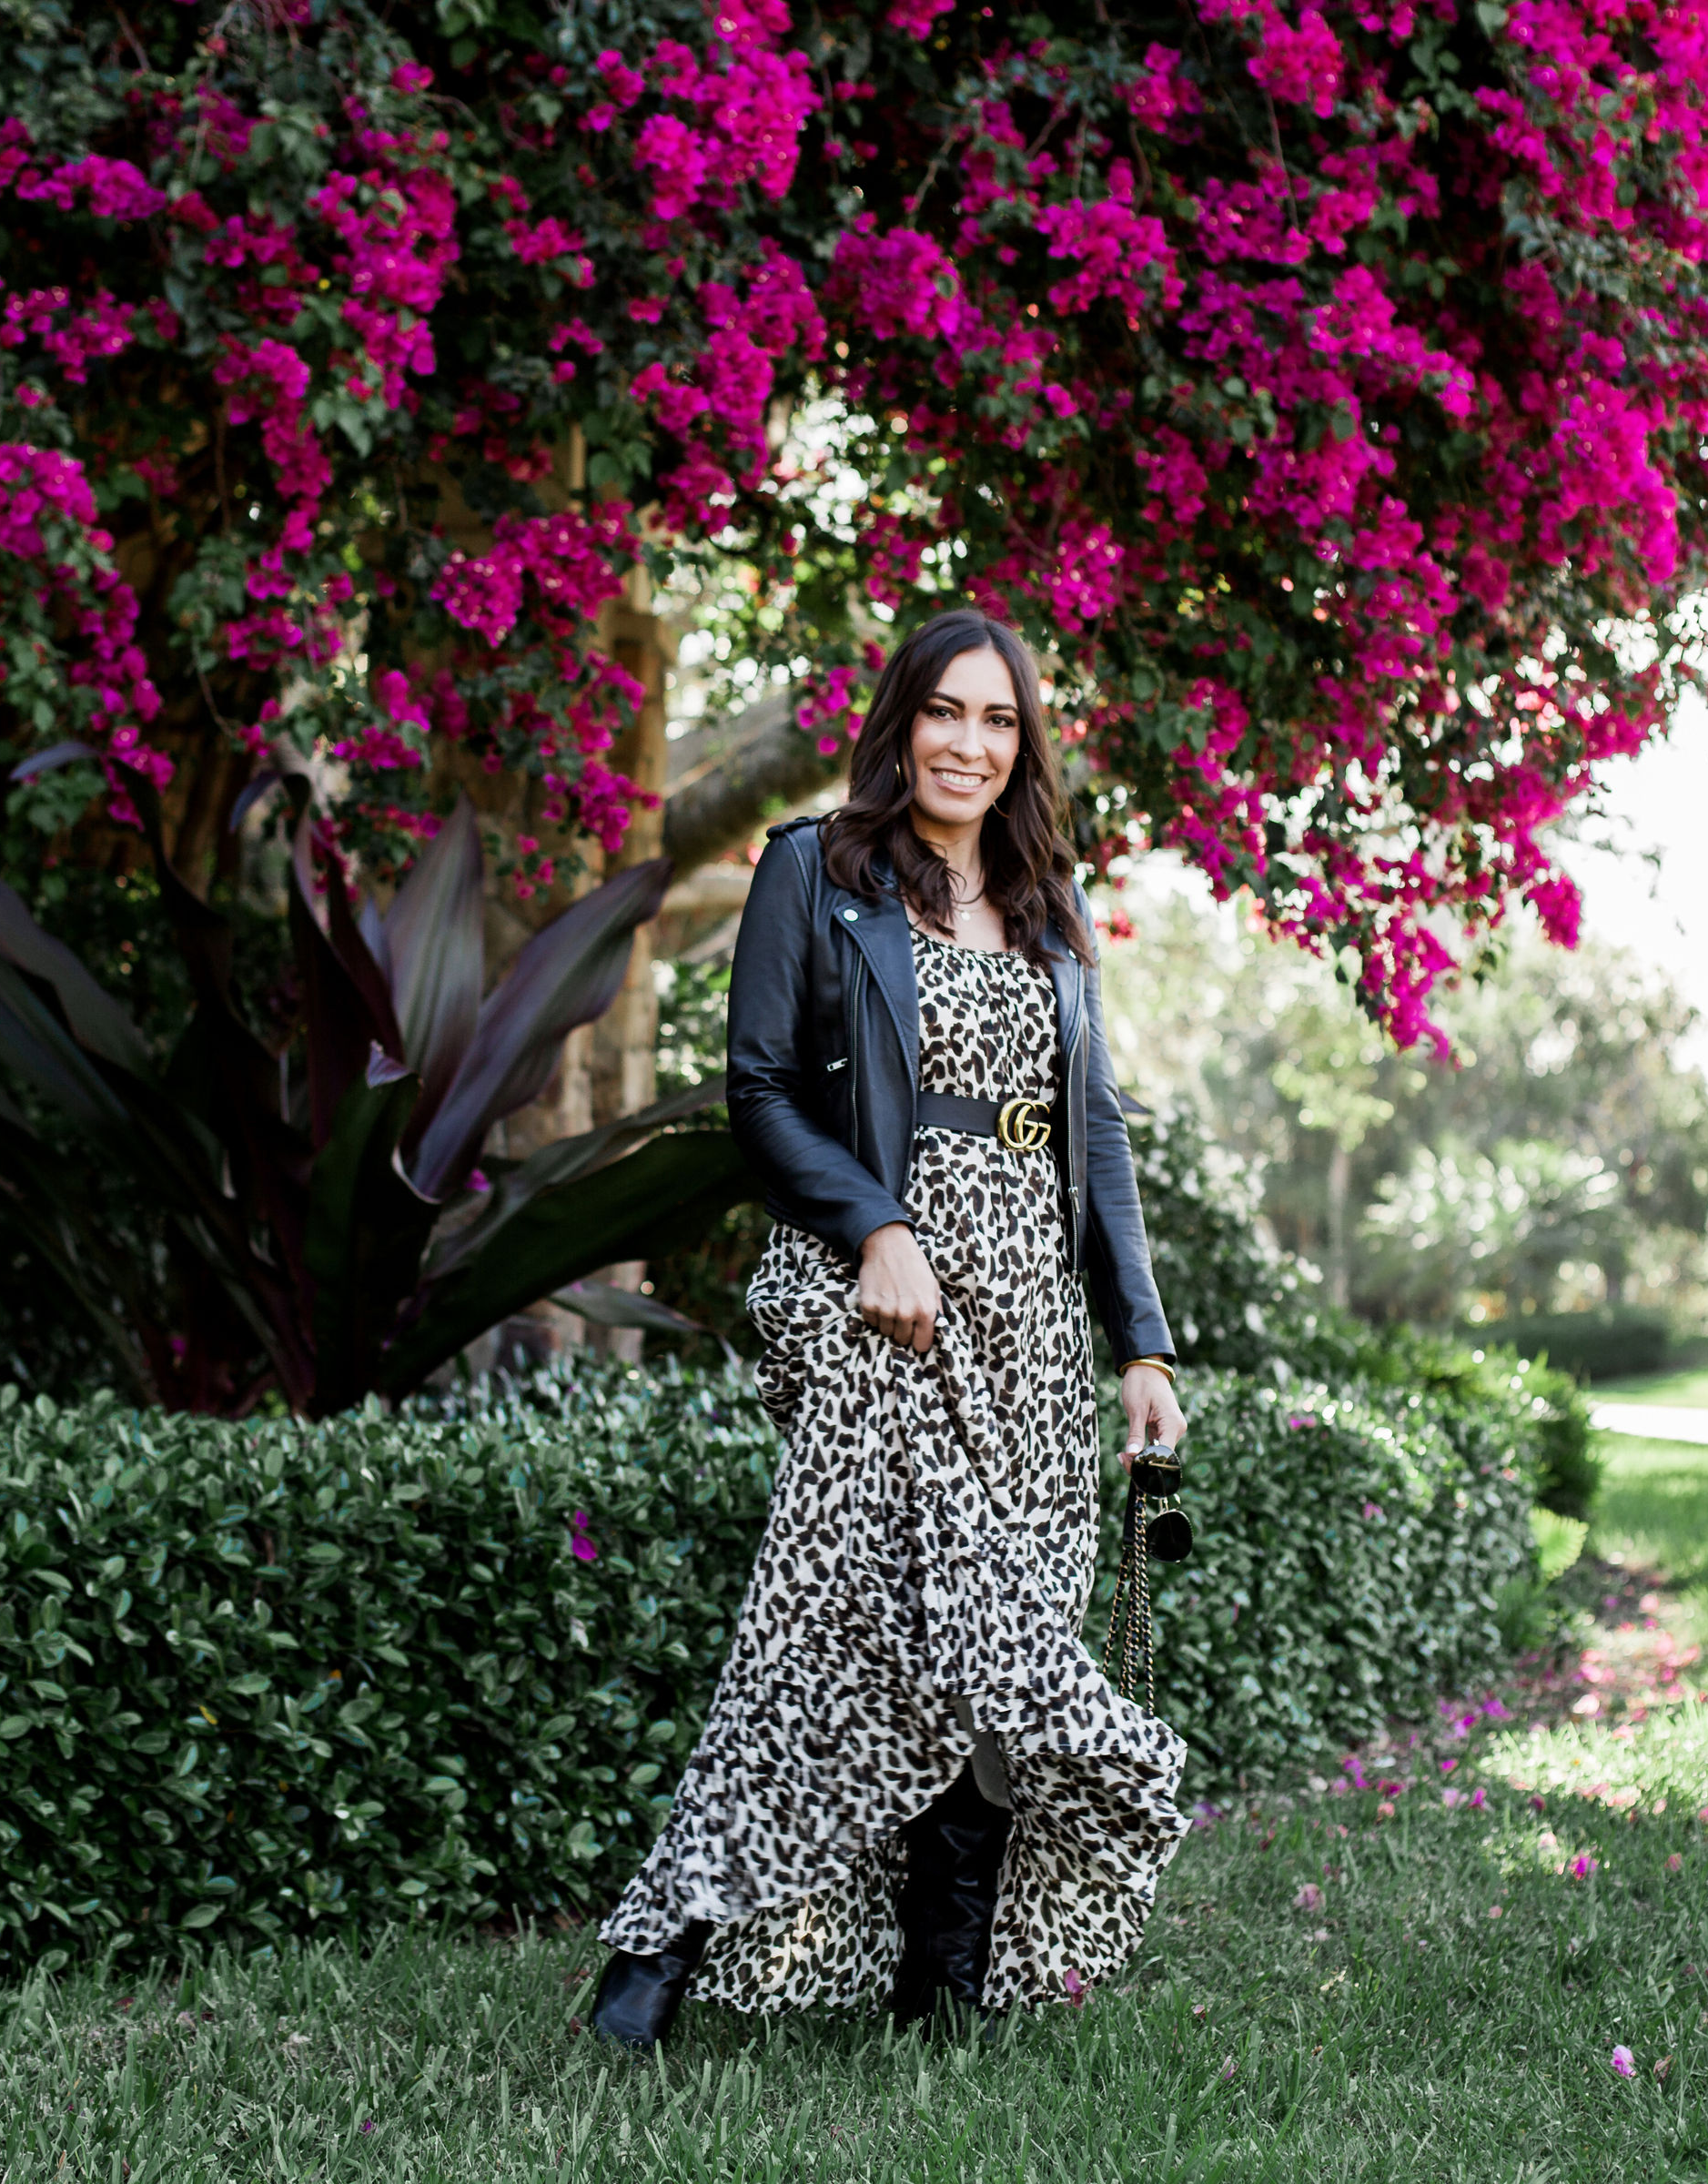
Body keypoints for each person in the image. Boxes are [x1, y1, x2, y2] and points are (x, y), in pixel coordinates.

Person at [587, 606, 1189, 2049]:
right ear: (900, 721)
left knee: (982, 1626)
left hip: (1031, 1325)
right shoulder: (818, 869)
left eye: (1000, 721)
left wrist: (1144, 1346)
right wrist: (877, 1225)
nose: (970, 746)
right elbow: (761, 1093)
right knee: (835, 1613)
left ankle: (945, 1979)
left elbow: (1091, 1135)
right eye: (946, 713)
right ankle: (667, 1942)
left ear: (1023, 745)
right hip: (878, 1302)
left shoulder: (1050, 901)